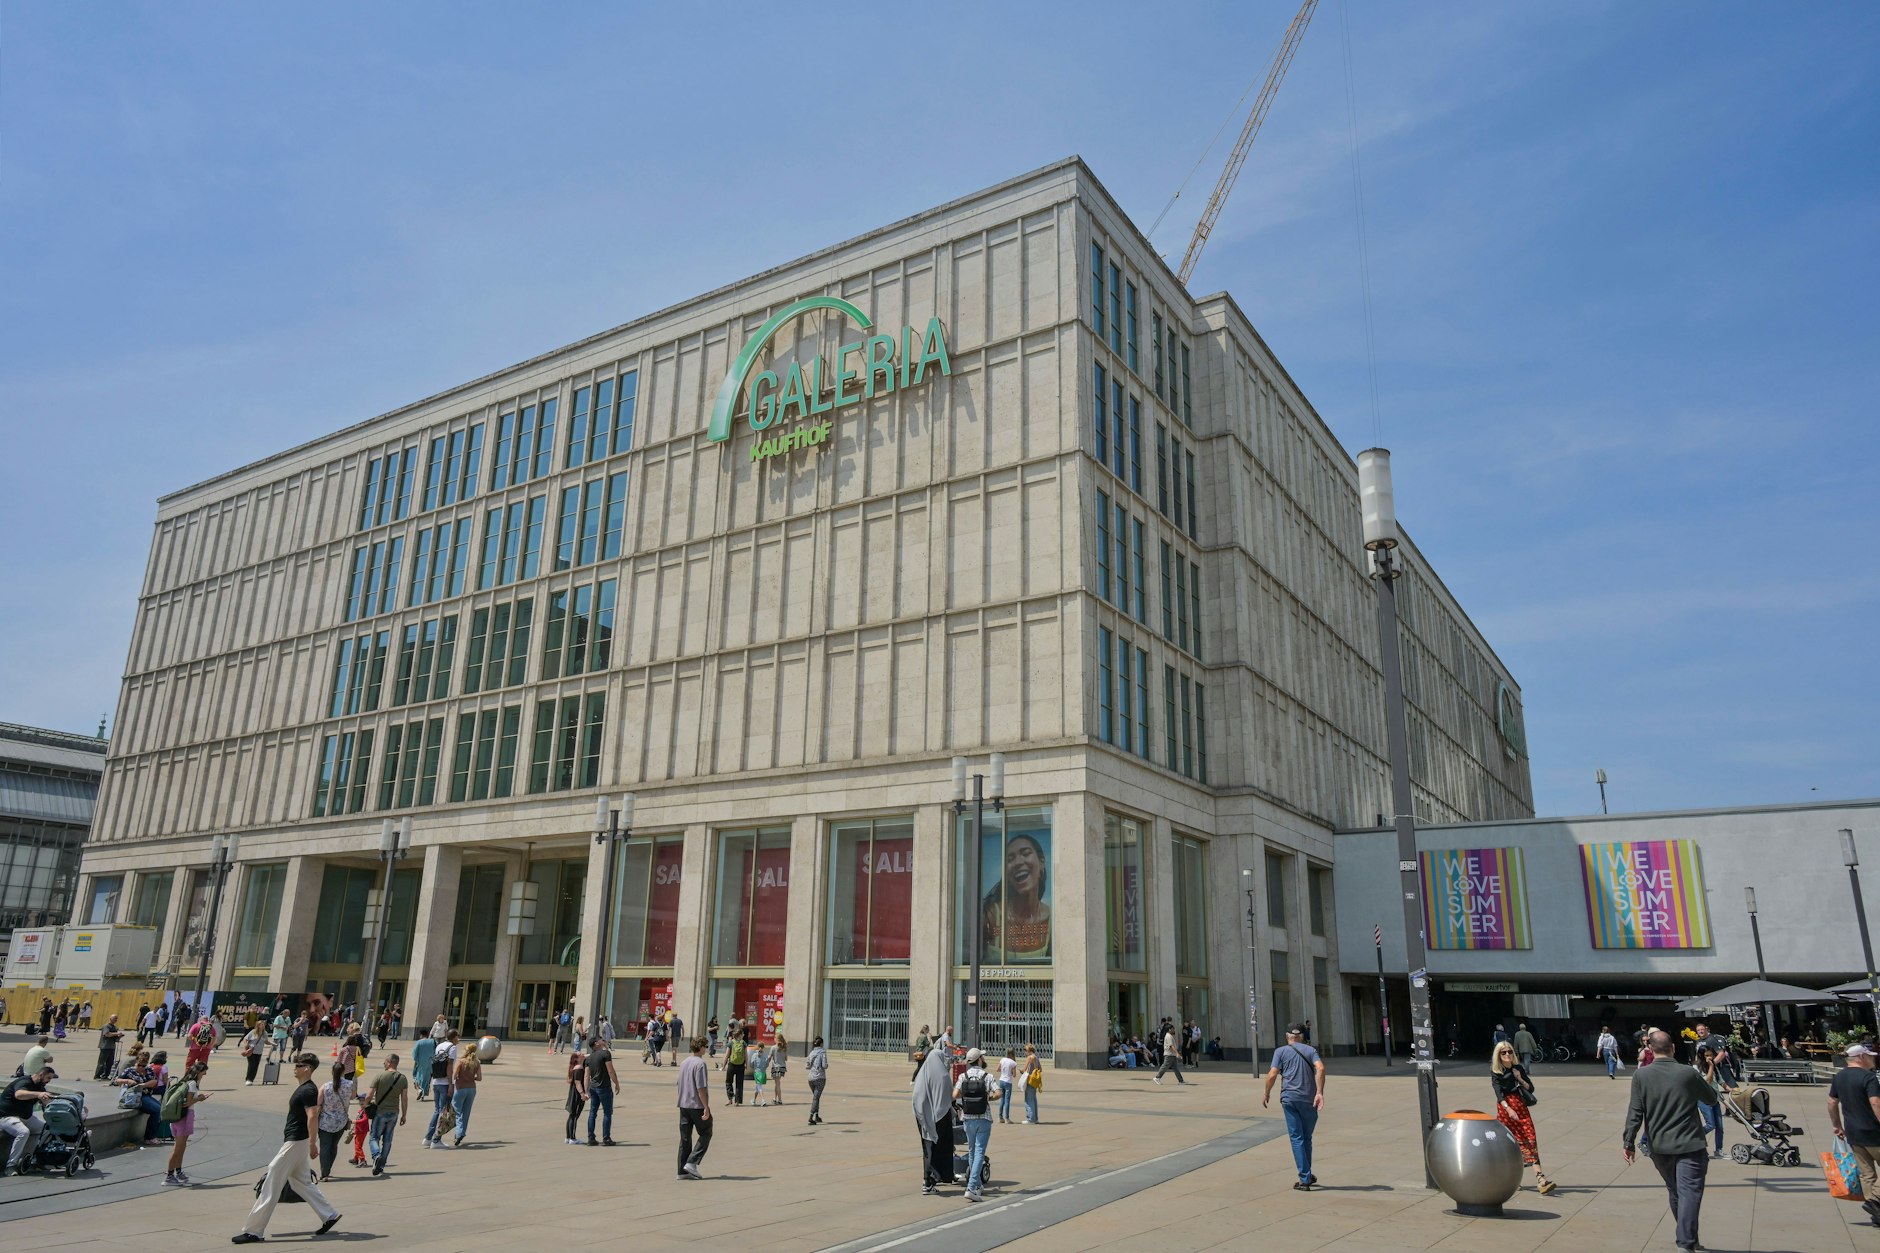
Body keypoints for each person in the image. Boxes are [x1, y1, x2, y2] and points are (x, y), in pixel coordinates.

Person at [232, 1052, 341, 1244]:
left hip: (296, 1141)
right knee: (301, 1182)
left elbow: (313, 1116)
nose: (295, 1068)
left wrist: (312, 1143)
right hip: (297, 1141)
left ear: (307, 1068)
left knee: (272, 1182)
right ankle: (329, 1215)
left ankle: (254, 1231)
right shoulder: (305, 1088)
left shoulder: (308, 1090)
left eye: (299, 1065)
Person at [1623, 1028, 1713, 1253]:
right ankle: (1686, 1241)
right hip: (1690, 1143)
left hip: (1660, 1147)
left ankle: (1688, 1236)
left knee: (1675, 1191)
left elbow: (1635, 1111)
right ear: (1673, 1048)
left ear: (1651, 1050)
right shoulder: (1687, 1073)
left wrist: (1628, 1142)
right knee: (1690, 1191)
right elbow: (1711, 1098)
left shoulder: (1641, 1075)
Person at [1263, 1023, 1325, 1191]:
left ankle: (1305, 1178)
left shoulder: (1280, 1051)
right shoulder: (1311, 1051)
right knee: (1306, 1138)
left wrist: (1267, 1093)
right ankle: (1306, 1174)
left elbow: (1272, 1074)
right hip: (1309, 1099)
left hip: (1289, 1099)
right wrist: (1319, 1092)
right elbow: (1320, 1068)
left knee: (1297, 1138)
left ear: (1287, 1035)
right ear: (1302, 1036)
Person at [1491, 1040, 1556, 1194]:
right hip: (1506, 1109)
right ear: (1498, 1055)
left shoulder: (1518, 1068)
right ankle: (1512, 1178)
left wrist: (1519, 1078)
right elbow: (1498, 1093)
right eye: (1503, 1052)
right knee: (1510, 1144)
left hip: (1521, 1108)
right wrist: (1508, 1109)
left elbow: (1530, 1088)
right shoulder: (1496, 1072)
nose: (1507, 1054)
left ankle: (1541, 1179)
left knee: (1530, 1139)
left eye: (1509, 1052)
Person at [1829, 1041, 1880, 1227]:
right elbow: (1876, 1103)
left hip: (1853, 1133)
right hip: (1874, 1132)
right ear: (1861, 1058)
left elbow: (1831, 1102)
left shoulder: (1840, 1077)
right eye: (1870, 1056)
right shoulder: (1869, 1078)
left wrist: (1837, 1125)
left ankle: (1876, 1215)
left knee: (1867, 1174)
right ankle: (1875, 1200)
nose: (1873, 1060)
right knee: (1869, 1175)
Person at [982, 832, 1051, 960]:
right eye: (1010, 860)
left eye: (1026, 854)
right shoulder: (990, 916)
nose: (1018, 862)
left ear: (1041, 862)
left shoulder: (1052, 918)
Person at [913, 1045, 956, 1194]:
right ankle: (933, 1179)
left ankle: (927, 1181)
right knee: (939, 1150)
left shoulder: (922, 1074)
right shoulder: (943, 1076)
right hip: (941, 1118)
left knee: (927, 1151)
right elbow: (950, 1096)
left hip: (923, 1118)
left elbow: (917, 1098)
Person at [1, 1064, 55, 1177]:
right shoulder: (24, 1081)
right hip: (6, 1116)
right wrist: (38, 1094)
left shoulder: (40, 1087)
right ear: (41, 1074)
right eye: (48, 1078)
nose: (49, 1081)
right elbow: (18, 1094)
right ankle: (10, 1166)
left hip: (25, 1117)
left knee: (48, 1129)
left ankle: (37, 1160)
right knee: (23, 1132)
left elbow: (45, 1103)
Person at [955, 1047, 994, 1201]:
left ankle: (976, 1183)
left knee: (972, 1151)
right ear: (979, 1059)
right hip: (983, 1118)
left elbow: (955, 1094)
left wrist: (967, 1097)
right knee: (979, 1152)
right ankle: (971, 1187)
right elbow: (998, 1093)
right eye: (982, 1057)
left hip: (968, 1118)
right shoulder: (987, 1076)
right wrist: (986, 1098)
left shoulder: (963, 1077)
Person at [163, 1060, 210, 1186]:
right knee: (178, 1148)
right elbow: (187, 1103)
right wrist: (199, 1098)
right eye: (204, 1072)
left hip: (178, 1116)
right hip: (185, 1117)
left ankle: (178, 1171)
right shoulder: (193, 1084)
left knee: (181, 1147)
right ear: (199, 1071)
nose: (204, 1074)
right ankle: (169, 1175)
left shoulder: (184, 1081)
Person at [364, 1052, 409, 1176]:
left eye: (385, 1061)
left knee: (374, 1137)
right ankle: (381, 1165)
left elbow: (369, 1095)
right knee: (387, 1140)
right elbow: (404, 1098)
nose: (383, 1063)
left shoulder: (380, 1076)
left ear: (390, 1062)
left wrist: (364, 1106)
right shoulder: (403, 1078)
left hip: (380, 1112)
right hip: (394, 1113)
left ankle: (376, 1155)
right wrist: (404, 1115)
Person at [677, 1034, 713, 1179]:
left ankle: (681, 1171)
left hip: (683, 1104)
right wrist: (706, 1106)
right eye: (706, 1047)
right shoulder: (700, 1064)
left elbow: (678, 1083)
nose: (706, 1049)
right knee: (706, 1132)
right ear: (702, 1047)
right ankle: (692, 1162)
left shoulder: (684, 1062)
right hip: (696, 1105)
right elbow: (701, 1088)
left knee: (685, 1138)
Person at [1691, 1023, 1727, 1159]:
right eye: (1707, 1056)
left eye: (1711, 1055)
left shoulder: (1712, 1041)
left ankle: (1719, 1150)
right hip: (1704, 1099)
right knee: (1710, 1125)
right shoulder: (1697, 1068)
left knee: (1720, 1127)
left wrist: (1729, 1088)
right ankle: (1695, 1139)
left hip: (1715, 1098)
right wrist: (1711, 1066)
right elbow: (1707, 1080)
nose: (1709, 1057)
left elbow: (1720, 1079)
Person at [315, 1060, 354, 1180]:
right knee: (334, 1145)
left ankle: (324, 1172)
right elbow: (353, 1096)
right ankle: (328, 1168)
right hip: (341, 1121)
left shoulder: (325, 1086)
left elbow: (318, 1103)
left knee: (325, 1146)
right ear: (344, 1071)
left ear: (332, 1072)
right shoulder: (350, 1084)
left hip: (325, 1122)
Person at [422, 1029, 459, 1146]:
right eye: (458, 1037)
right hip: (444, 1083)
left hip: (436, 1081)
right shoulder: (452, 1048)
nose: (459, 1039)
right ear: (454, 1037)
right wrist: (450, 1084)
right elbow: (449, 1065)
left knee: (437, 1110)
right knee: (443, 1112)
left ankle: (428, 1138)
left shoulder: (440, 1045)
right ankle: (436, 1140)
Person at [586, 1027, 619, 1147]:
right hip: (604, 1087)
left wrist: (586, 1090)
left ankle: (591, 1138)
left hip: (593, 1087)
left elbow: (586, 1076)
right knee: (607, 1113)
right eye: (600, 1039)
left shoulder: (589, 1058)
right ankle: (606, 1138)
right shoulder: (605, 1054)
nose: (602, 1040)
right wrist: (617, 1083)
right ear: (596, 1044)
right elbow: (611, 1071)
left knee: (592, 1112)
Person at [448, 1040, 482, 1147]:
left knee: (457, 1112)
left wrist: (459, 1078)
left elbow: (454, 1076)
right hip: (471, 1089)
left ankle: (459, 1133)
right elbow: (480, 1078)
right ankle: (461, 1132)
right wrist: (472, 1078)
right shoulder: (476, 1062)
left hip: (460, 1088)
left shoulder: (461, 1061)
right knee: (466, 1112)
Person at [564, 1039, 588, 1145]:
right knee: (574, 1116)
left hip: (573, 1094)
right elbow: (578, 1082)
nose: (582, 1054)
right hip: (577, 1095)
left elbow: (588, 1055)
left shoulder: (576, 1067)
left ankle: (568, 1137)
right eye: (580, 1054)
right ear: (577, 1059)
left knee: (571, 1115)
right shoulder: (578, 1068)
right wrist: (583, 1094)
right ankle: (572, 1138)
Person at [806, 1036, 829, 1126]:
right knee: (816, 1098)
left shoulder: (811, 1053)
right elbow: (824, 1065)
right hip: (820, 1078)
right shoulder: (822, 1053)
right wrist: (827, 1065)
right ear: (821, 1044)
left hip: (811, 1078)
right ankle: (811, 1116)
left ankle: (817, 1116)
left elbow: (807, 1066)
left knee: (816, 1097)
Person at [96, 1013, 125, 1082]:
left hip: (112, 1047)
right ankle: (97, 1075)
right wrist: (117, 1033)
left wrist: (119, 1036)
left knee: (110, 1063)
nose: (115, 1020)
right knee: (102, 1062)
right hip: (105, 1046)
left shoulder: (115, 1027)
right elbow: (107, 1034)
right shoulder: (106, 1026)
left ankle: (106, 1075)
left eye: (116, 1019)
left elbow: (115, 1039)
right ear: (110, 1018)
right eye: (114, 1018)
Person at [724, 1026, 747, 1106]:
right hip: (741, 1065)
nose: (743, 1035)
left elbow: (727, 1055)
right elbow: (745, 1055)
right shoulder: (743, 1043)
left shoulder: (731, 1043)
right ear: (740, 1034)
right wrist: (746, 1063)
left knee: (728, 1082)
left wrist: (724, 1064)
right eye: (742, 1034)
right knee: (739, 1083)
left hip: (732, 1065)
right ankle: (737, 1101)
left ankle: (730, 1099)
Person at [411, 1032, 437, 1102]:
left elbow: (414, 1054)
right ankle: (423, 1093)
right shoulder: (433, 1041)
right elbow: (436, 1052)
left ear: (421, 1035)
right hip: (431, 1063)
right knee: (427, 1079)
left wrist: (416, 1061)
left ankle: (419, 1090)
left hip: (420, 1062)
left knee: (416, 1077)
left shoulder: (419, 1042)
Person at [1020, 1043, 1042, 1124]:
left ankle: (1030, 1119)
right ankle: (1035, 1118)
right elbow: (1040, 1069)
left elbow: (1024, 1070)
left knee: (1028, 1100)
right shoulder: (1036, 1057)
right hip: (1035, 1080)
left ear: (1029, 1051)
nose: (1024, 1053)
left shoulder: (1029, 1058)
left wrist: (1020, 1070)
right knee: (1033, 1099)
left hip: (1029, 1080)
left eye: (1025, 1050)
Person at [997, 1047, 1018, 1123]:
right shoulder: (1013, 1063)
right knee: (1007, 1100)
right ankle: (1007, 1118)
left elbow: (997, 1069)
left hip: (1001, 1080)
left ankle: (1000, 1117)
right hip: (1008, 1082)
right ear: (1013, 1054)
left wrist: (1003, 1070)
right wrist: (1011, 1072)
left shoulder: (1002, 1060)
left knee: (1002, 1099)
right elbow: (1014, 1075)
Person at [750, 1040, 771, 1107]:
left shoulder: (755, 1055)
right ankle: (754, 1100)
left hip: (757, 1072)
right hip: (763, 1072)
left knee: (759, 1087)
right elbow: (767, 1064)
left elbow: (751, 1064)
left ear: (758, 1046)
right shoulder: (765, 1055)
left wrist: (754, 1068)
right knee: (757, 1086)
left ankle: (763, 1100)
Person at [770, 1032, 788, 1105]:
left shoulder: (773, 1047)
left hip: (776, 1067)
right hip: (782, 1067)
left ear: (777, 1039)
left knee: (777, 1084)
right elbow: (786, 1058)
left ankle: (780, 1099)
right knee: (777, 1083)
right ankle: (775, 1098)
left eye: (774, 1038)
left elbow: (769, 1056)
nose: (774, 1039)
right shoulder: (784, 1047)